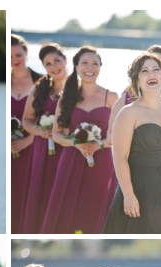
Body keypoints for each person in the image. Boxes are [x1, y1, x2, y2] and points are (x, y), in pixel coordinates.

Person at [97, 45, 161, 230]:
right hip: (141, 190)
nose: (151, 74)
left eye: (156, 70)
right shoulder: (128, 113)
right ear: (137, 80)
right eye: (145, 71)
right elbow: (120, 157)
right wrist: (128, 194)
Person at [41, 46, 119, 234]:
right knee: (69, 210)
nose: (89, 67)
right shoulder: (66, 98)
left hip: (103, 161)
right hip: (71, 160)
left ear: (100, 67)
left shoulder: (112, 97)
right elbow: (57, 134)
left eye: (95, 63)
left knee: (97, 208)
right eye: (84, 63)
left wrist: (98, 144)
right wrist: (77, 144)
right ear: (76, 67)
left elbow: (118, 135)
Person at [21, 43, 69, 233]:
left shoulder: (80, 86)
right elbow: (27, 121)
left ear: (65, 60)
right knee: (42, 194)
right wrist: (41, 131)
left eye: (57, 61)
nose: (54, 66)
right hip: (43, 150)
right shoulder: (39, 88)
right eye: (48, 64)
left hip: (68, 148)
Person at [11, 34, 42, 233]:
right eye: (10, 56)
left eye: (19, 54)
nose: (15, 60)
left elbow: (52, 120)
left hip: (33, 150)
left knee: (30, 197)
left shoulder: (42, 82)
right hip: (8, 155)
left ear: (26, 53)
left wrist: (27, 141)